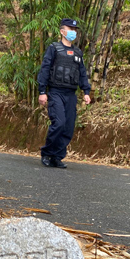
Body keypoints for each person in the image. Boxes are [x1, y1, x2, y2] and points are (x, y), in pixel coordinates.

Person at [37, 18, 91, 169]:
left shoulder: (78, 52)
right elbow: (45, 70)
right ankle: (47, 153)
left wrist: (86, 91)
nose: (73, 32)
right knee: (59, 123)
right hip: (56, 92)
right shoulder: (54, 48)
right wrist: (42, 91)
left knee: (68, 127)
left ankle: (57, 156)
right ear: (62, 31)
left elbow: (82, 73)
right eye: (70, 29)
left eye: (75, 30)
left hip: (71, 94)